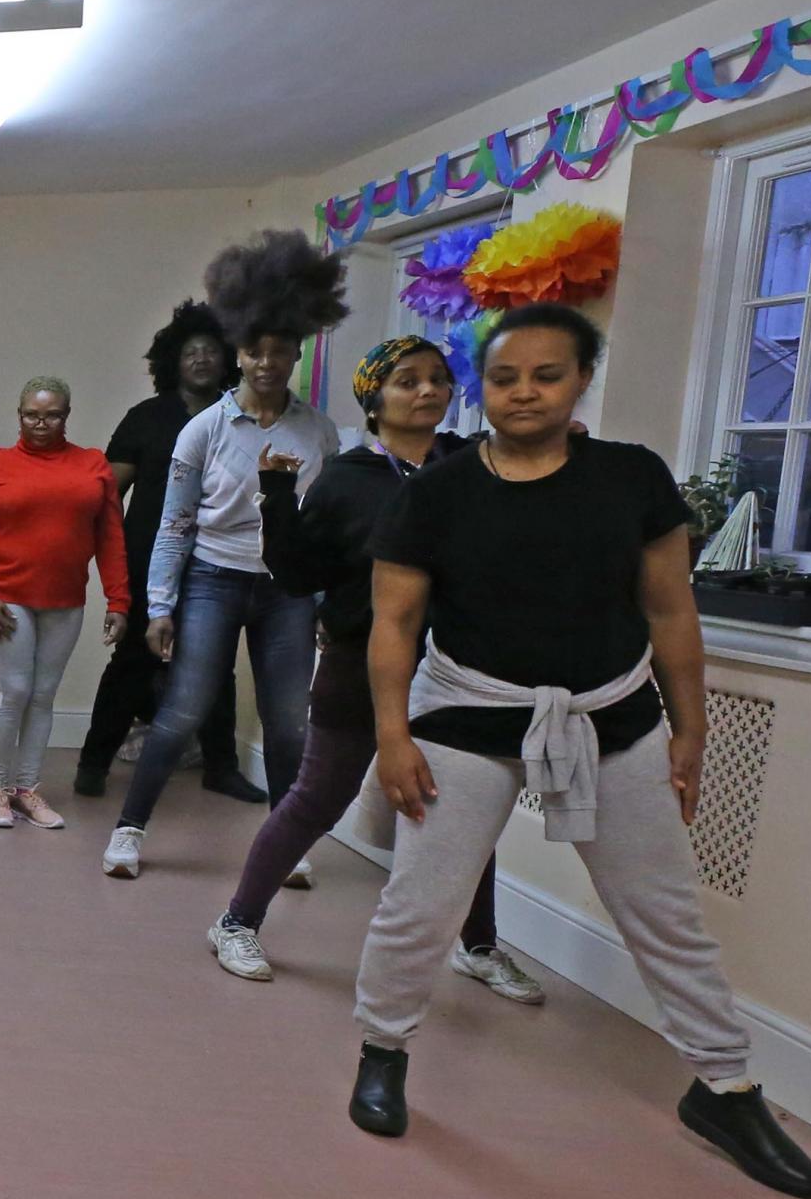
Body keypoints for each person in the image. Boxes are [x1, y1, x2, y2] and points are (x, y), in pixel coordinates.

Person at [348, 305, 811, 1199]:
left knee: (664, 910)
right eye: (503, 377)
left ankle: (724, 1085)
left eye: (546, 375)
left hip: (614, 715)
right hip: (465, 716)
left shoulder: (630, 479)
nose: (523, 392)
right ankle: (383, 1049)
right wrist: (392, 734)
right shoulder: (438, 492)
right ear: (482, 387)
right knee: (422, 902)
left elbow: (670, 609)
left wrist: (690, 728)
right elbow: (394, 621)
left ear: (579, 383)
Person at [202, 337, 536, 1002]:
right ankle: (235, 921)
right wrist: (275, 495)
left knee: (467, 803)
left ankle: (478, 945)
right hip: (360, 664)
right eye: (408, 381)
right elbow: (299, 574)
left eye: (439, 379)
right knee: (318, 797)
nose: (428, 391)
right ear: (373, 399)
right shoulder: (349, 478)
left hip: (457, 670)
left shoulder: (472, 465)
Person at [103, 232, 347, 879]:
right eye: (254, 351)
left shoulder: (319, 431)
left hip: (288, 592)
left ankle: (284, 846)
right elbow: (175, 524)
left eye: (279, 351)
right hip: (212, 579)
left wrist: (323, 600)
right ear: (239, 355)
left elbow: (323, 529)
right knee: (181, 712)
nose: (266, 362)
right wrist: (161, 604)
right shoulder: (204, 429)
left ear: (297, 353)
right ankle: (129, 831)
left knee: (290, 726)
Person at [74, 303, 259, 801]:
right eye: (190, 352)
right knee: (132, 661)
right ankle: (93, 763)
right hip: (146, 559)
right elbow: (108, 492)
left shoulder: (244, 417)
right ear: (172, 361)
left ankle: (221, 766)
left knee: (216, 666)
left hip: (219, 558)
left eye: (210, 351)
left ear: (228, 360)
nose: (200, 359)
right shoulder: (147, 418)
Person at [0, 376, 129, 829]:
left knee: (43, 695)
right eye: (32, 414)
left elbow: (111, 538)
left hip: (66, 601)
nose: (41, 423)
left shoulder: (93, 465)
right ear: (19, 416)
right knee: (14, 690)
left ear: (67, 416)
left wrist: (119, 600)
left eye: (52, 414)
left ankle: (27, 789)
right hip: (8, 599)